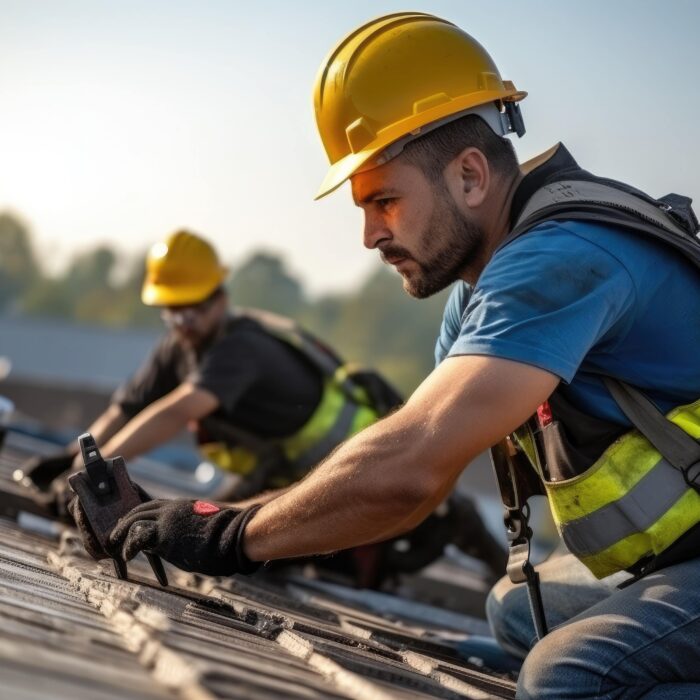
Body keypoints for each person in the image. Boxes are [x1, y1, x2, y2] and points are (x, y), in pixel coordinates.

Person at [78, 13, 700, 697]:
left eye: (386, 200)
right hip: (679, 561)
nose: (371, 234)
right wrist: (207, 521)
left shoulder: (563, 257)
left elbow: (408, 467)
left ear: (469, 175)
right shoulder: (479, 294)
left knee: (567, 677)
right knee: (518, 611)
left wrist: (226, 535)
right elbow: (411, 488)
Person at [22, 228, 505, 585]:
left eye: (193, 308)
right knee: (214, 538)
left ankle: (445, 527)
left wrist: (100, 472)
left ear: (220, 298)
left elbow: (175, 411)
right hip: (280, 470)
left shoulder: (241, 347)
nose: (183, 322)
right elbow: (127, 408)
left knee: (296, 551)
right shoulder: (178, 346)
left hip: (351, 469)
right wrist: (72, 462)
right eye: (173, 310)